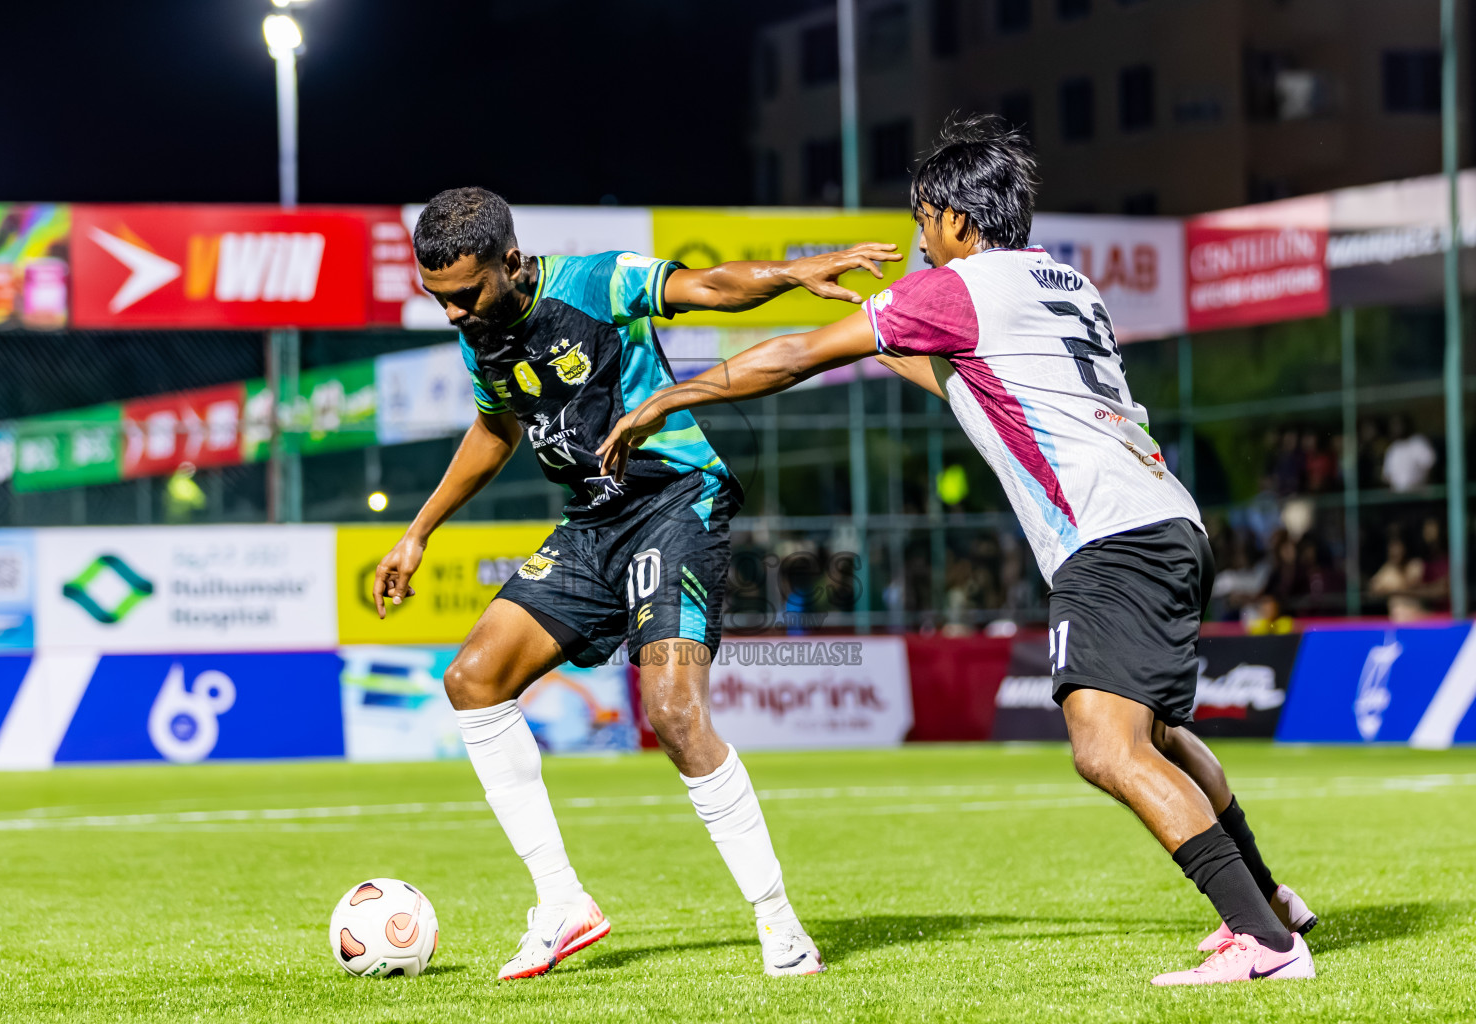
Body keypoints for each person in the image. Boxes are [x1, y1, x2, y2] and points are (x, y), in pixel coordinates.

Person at [599, 115, 1318, 987]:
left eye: (923, 220)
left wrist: (668, 399)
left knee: (1106, 747)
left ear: (957, 220)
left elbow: (793, 356)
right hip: (1167, 520)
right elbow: (965, 379)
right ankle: (1269, 899)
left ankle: (1264, 942)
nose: (918, 240)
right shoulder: (1063, 282)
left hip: (1108, 537)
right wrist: (881, 331)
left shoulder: (958, 289)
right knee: (1158, 734)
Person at [372, 187, 902, 980]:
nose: (452, 313)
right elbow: (494, 430)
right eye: (437, 297)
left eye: (465, 294)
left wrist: (793, 274)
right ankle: (561, 903)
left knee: (674, 712)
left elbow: (708, 285)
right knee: (473, 680)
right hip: (592, 523)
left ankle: (781, 926)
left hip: (674, 500)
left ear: (511, 262)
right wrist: (418, 532)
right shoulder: (480, 336)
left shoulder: (596, 282)